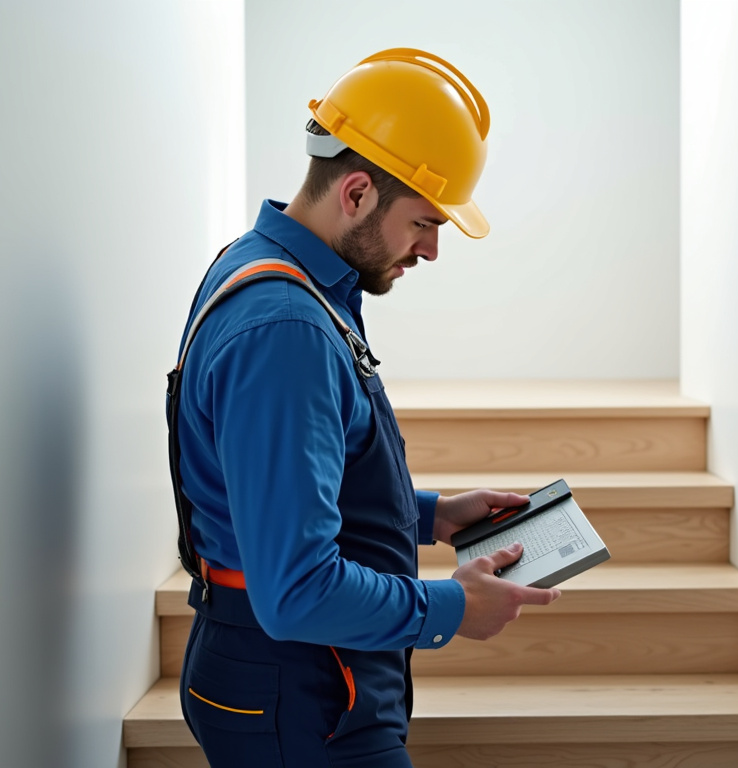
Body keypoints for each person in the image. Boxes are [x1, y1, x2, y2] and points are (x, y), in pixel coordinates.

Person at [166, 48, 562, 768]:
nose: (433, 249)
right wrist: (451, 608)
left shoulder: (269, 268)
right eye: (424, 222)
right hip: (302, 690)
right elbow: (298, 591)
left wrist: (429, 515)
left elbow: (279, 487)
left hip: (300, 676)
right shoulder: (286, 329)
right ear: (355, 194)